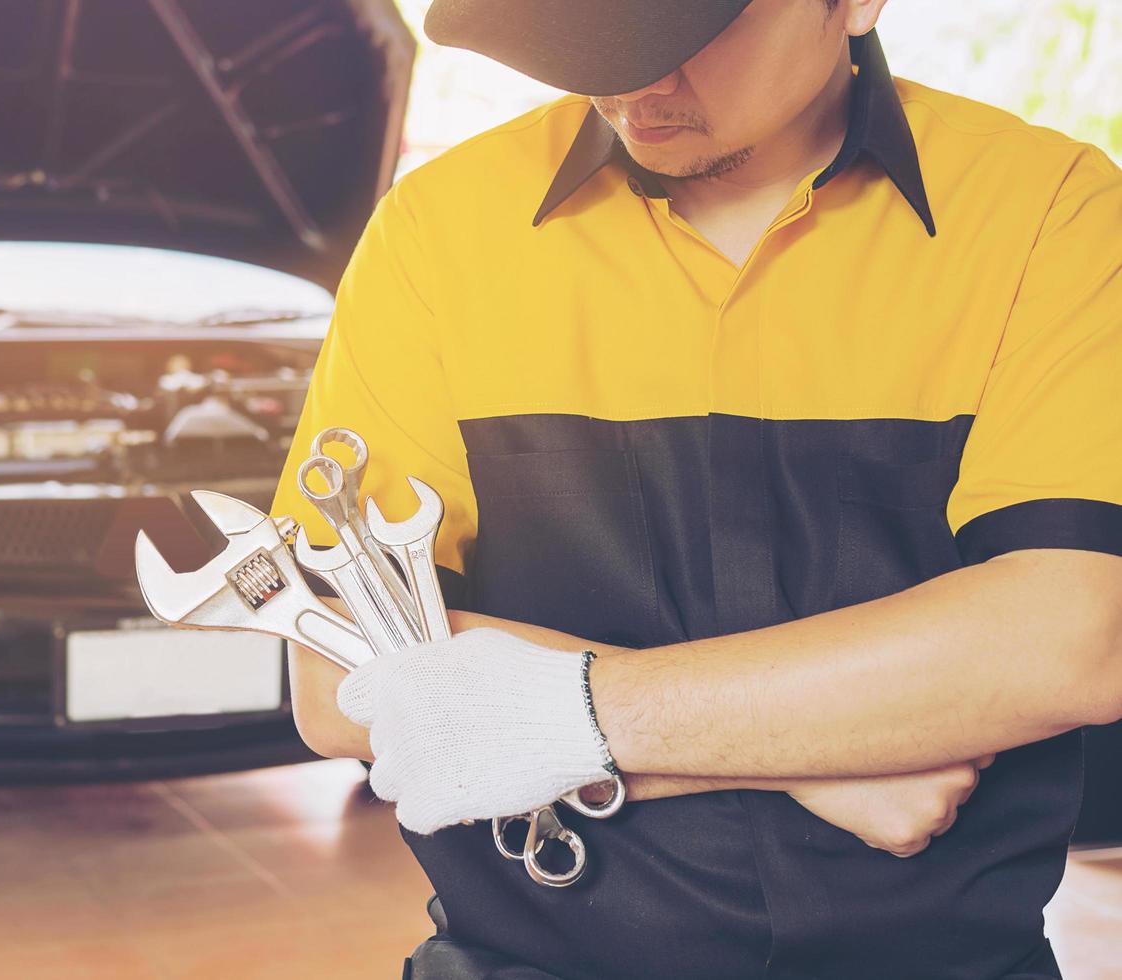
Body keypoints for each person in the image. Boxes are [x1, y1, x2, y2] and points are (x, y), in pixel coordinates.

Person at [267, 0, 1122, 977]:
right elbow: (342, 680)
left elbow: (1073, 636)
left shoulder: (1051, 209)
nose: (637, 83)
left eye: (687, 30)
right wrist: (836, 752)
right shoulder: (436, 231)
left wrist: (554, 723)